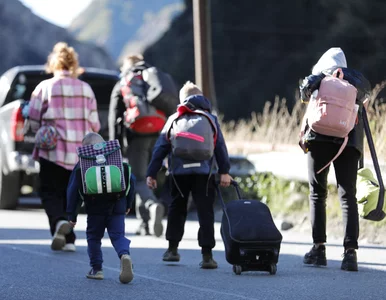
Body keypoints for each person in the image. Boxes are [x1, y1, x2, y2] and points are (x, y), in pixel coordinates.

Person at [146, 81, 232, 269]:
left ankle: (172, 250)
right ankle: (207, 255)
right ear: (201, 98)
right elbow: (220, 147)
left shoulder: (174, 119)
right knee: (205, 211)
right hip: (205, 173)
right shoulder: (210, 119)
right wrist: (225, 171)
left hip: (178, 173)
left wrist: (151, 173)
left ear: (182, 99)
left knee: (177, 208)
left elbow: (160, 148)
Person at [299, 47, 371, 271]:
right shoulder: (356, 83)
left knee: (317, 193)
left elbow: (305, 97)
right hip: (348, 142)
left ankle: (318, 249)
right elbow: (364, 106)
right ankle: (350, 254)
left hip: (318, 139)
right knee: (348, 194)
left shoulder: (318, 79)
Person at [28, 42, 100, 252]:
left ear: (54, 63)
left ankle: (60, 223)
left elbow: (33, 119)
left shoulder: (45, 87)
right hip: (79, 152)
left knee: (50, 191)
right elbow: (95, 124)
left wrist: (40, 127)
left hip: (52, 149)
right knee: (72, 194)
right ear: (73, 64)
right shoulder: (86, 89)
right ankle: (69, 239)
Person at [108, 54, 167, 237]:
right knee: (150, 177)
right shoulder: (152, 79)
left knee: (139, 179)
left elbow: (113, 118)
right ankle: (145, 224)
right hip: (159, 135)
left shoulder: (124, 82)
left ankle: (151, 205)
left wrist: (114, 145)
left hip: (137, 136)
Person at [66, 133, 136, 283]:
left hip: (94, 208)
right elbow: (131, 181)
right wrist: (128, 204)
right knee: (118, 236)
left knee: (94, 238)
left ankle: (96, 269)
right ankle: (124, 255)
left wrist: (72, 215)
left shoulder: (82, 165)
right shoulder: (116, 160)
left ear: (85, 149)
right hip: (117, 206)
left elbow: (73, 191)